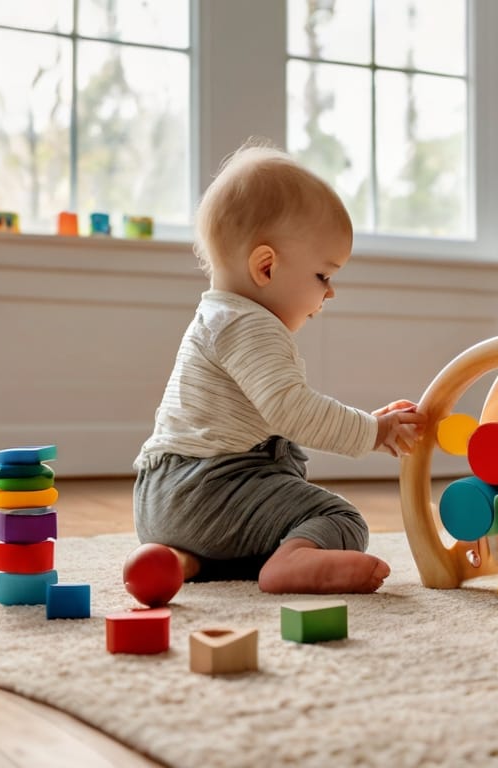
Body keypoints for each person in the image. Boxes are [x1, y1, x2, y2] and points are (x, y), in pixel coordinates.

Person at [133, 140, 425, 595]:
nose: (330, 293)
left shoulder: (218, 317)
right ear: (266, 267)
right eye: (323, 276)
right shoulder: (251, 325)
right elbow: (291, 410)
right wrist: (374, 431)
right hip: (206, 493)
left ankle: (183, 559)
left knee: (271, 505)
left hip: (160, 499)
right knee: (339, 518)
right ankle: (291, 562)